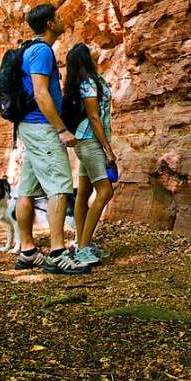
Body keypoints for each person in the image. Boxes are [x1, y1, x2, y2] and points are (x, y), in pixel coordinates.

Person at [14, 4, 90, 275]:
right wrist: (60, 129)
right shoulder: (42, 52)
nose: (62, 20)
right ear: (49, 24)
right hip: (42, 128)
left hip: (30, 127)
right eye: (57, 17)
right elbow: (41, 94)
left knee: (27, 190)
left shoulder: (30, 49)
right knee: (60, 186)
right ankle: (58, 253)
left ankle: (28, 251)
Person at [64, 43, 116, 267]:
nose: (95, 47)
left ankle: (80, 242)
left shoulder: (93, 78)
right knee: (105, 192)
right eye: (90, 49)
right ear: (85, 58)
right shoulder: (87, 83)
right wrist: (107, 148)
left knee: (84, 191)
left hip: (87, 141)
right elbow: (94, 117)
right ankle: (83, 249)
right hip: (90, 142)